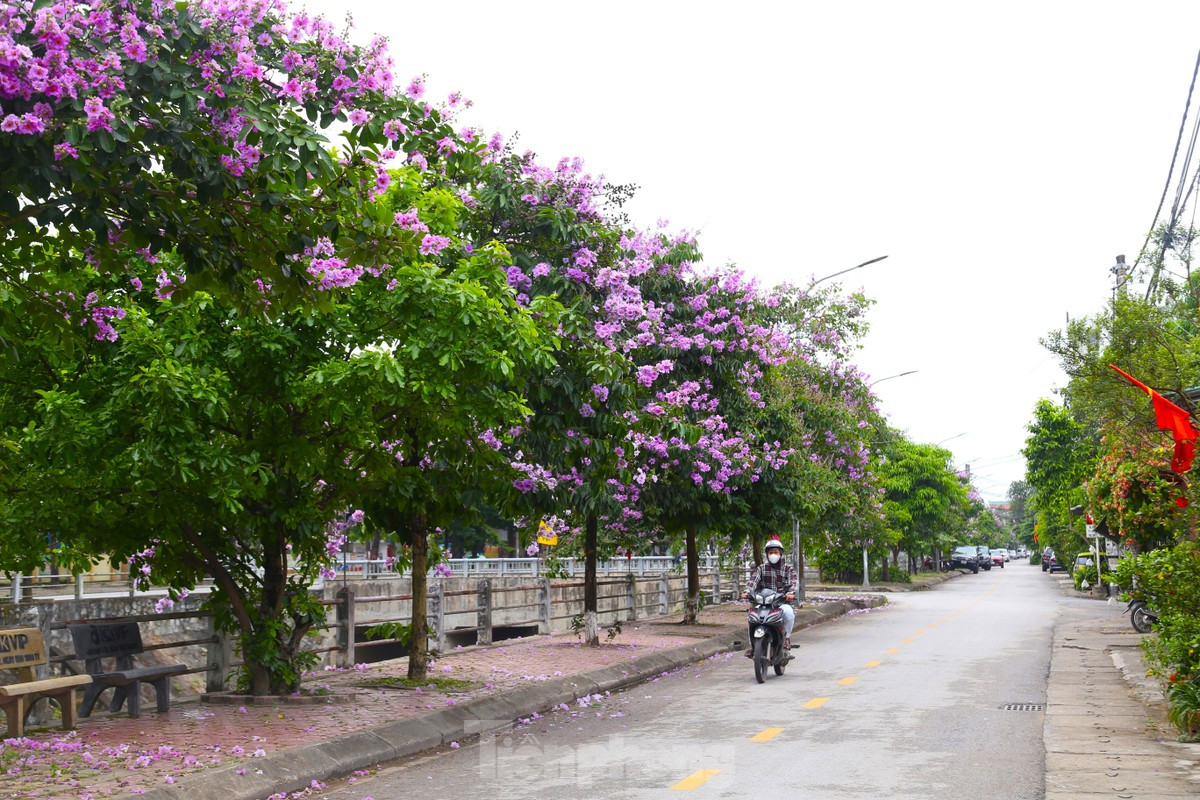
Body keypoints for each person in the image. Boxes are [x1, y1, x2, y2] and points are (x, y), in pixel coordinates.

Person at [742, 539, 797, 655]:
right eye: (770, 552)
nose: (773, 555)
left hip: (782, 602)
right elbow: (753, 581)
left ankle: (786, 638)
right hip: (764, 603)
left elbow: (793, 582)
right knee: (752, 617)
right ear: (767, 554)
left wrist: (790, 593)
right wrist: (747, 591)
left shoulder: (788, 569)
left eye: (775, 552)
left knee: (789, 614)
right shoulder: (761, 568)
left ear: (780, 553)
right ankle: (753, 646)